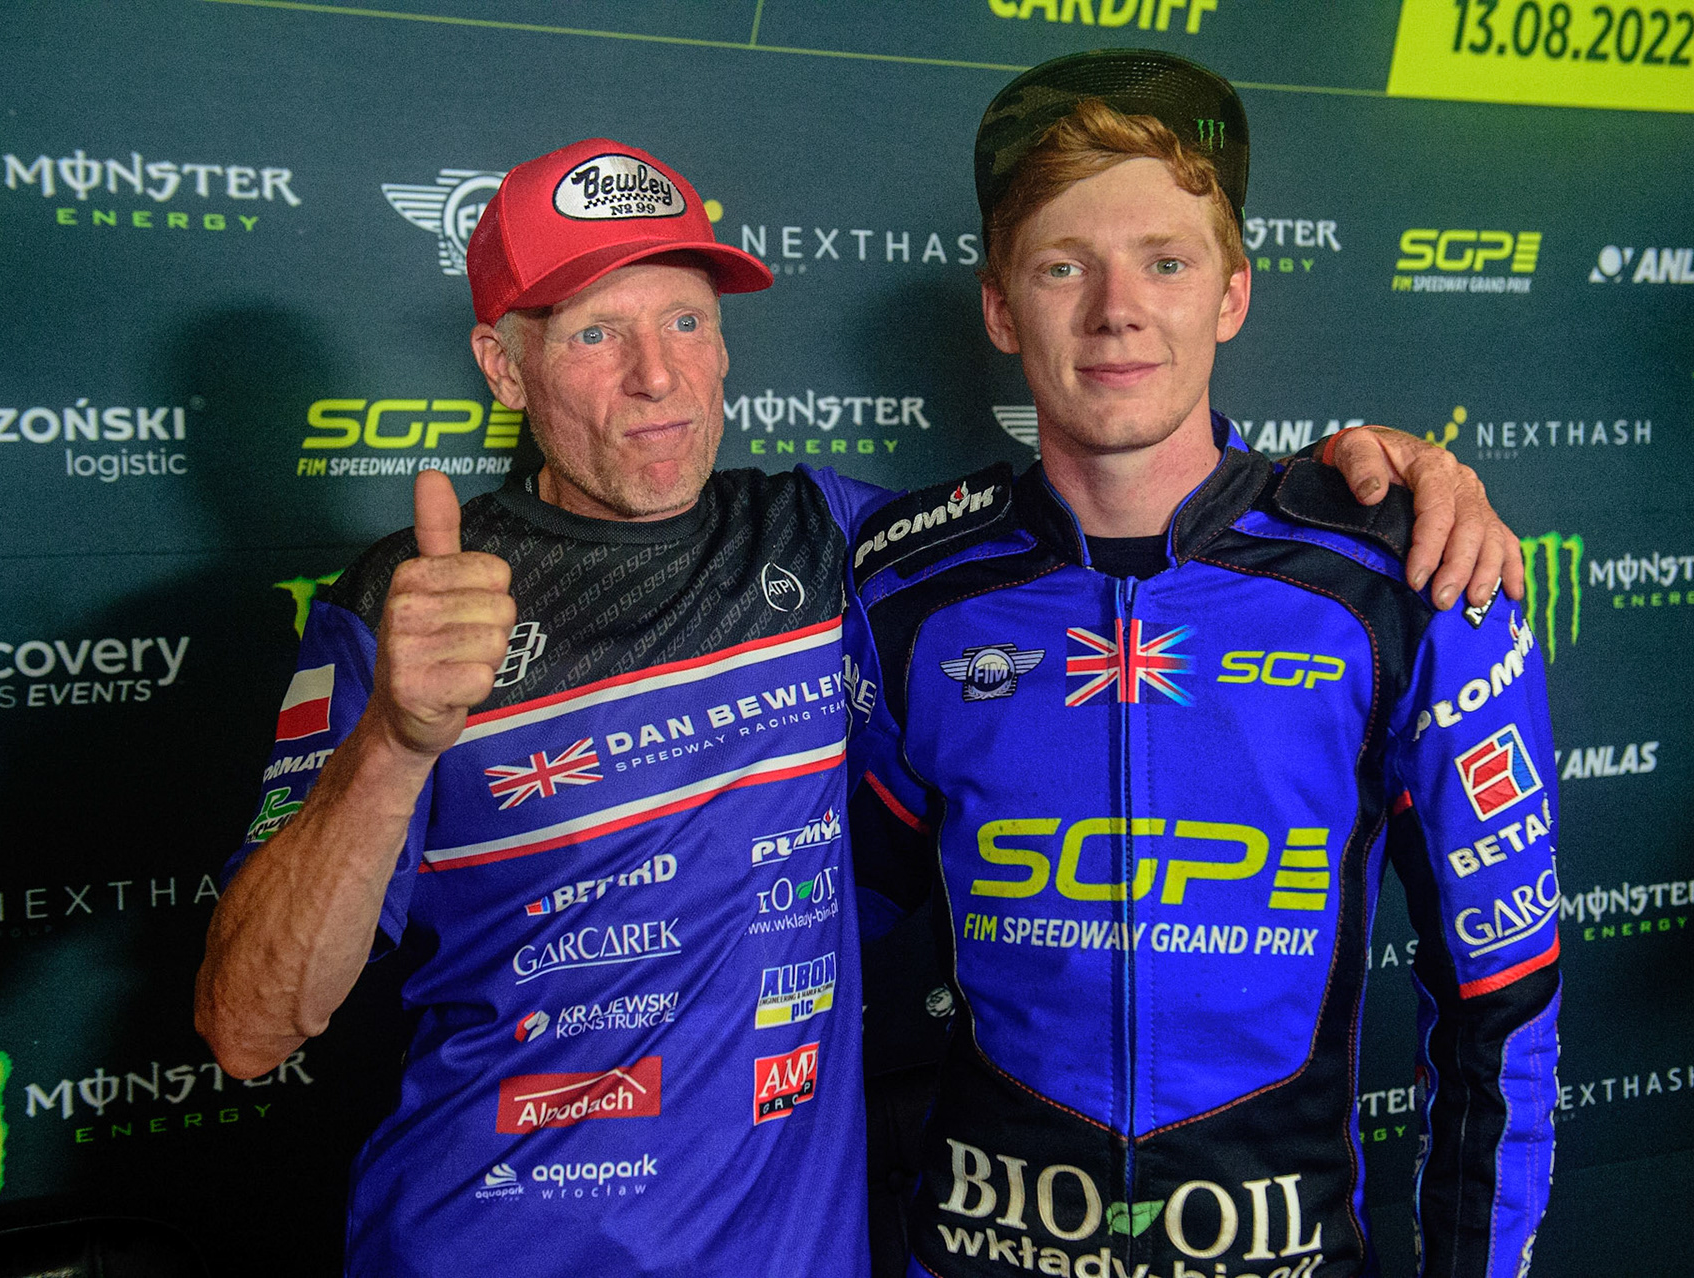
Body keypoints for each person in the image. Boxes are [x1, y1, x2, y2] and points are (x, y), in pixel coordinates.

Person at [194, 134, 1523, 1277]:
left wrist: (1378, 477)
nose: (656, 376)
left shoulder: (842, 548)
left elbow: (1107, 513)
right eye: (596, 333)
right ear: (503, 364)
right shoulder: (407, 609)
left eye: (686, 322)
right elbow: (247, 1028)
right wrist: (394, 745)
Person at [847, 51, 1561, 1278]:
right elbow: (799, 950)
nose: (1116, 310)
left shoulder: (1412, 579)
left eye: (1166, 262)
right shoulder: (901, 590)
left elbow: (1505, 1010)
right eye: (1063, 265)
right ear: (1001, 308)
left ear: (1232, 293)